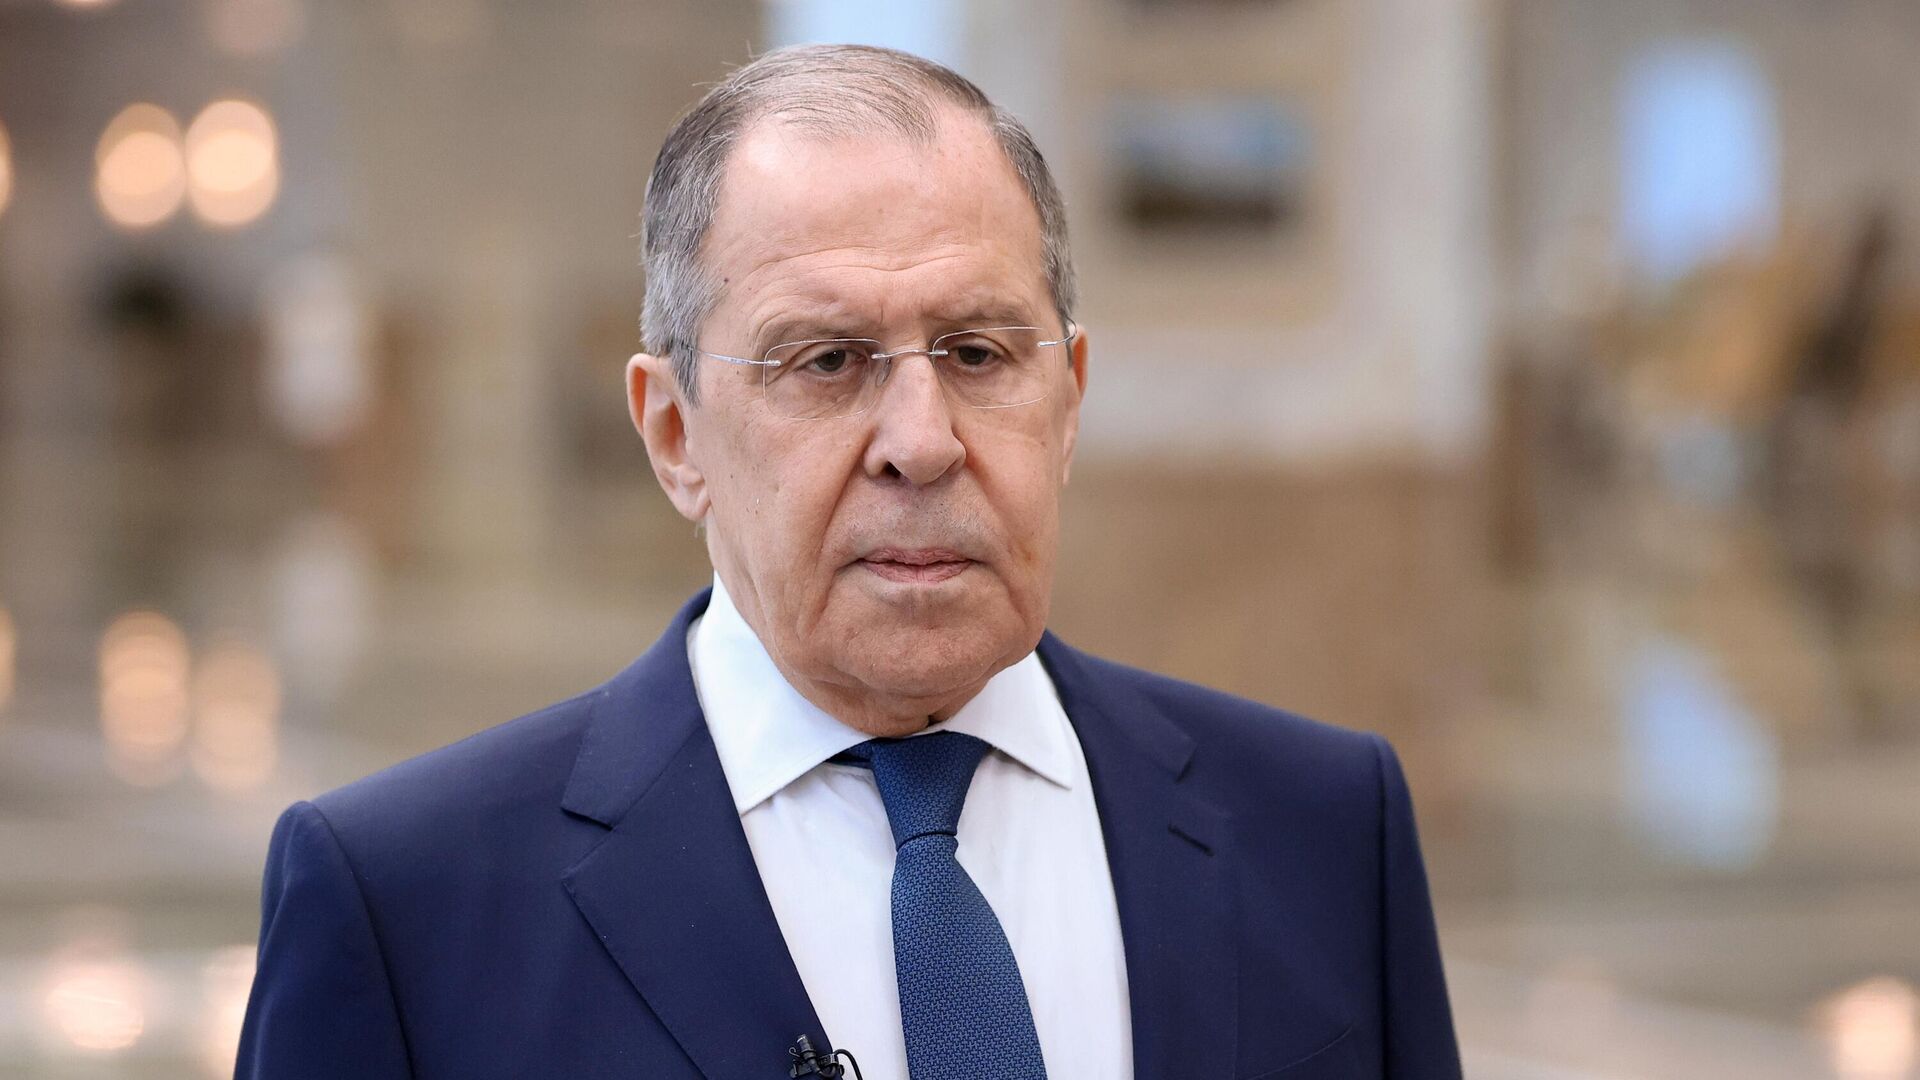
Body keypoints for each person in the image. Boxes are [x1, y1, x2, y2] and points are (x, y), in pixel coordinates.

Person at [235, 43, 1461, 1080]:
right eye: (824, 362)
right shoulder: (406, 905)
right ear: (674, 434)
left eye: (978, 354)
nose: (922, 443)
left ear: (1069, 401)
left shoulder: (1322, 830)